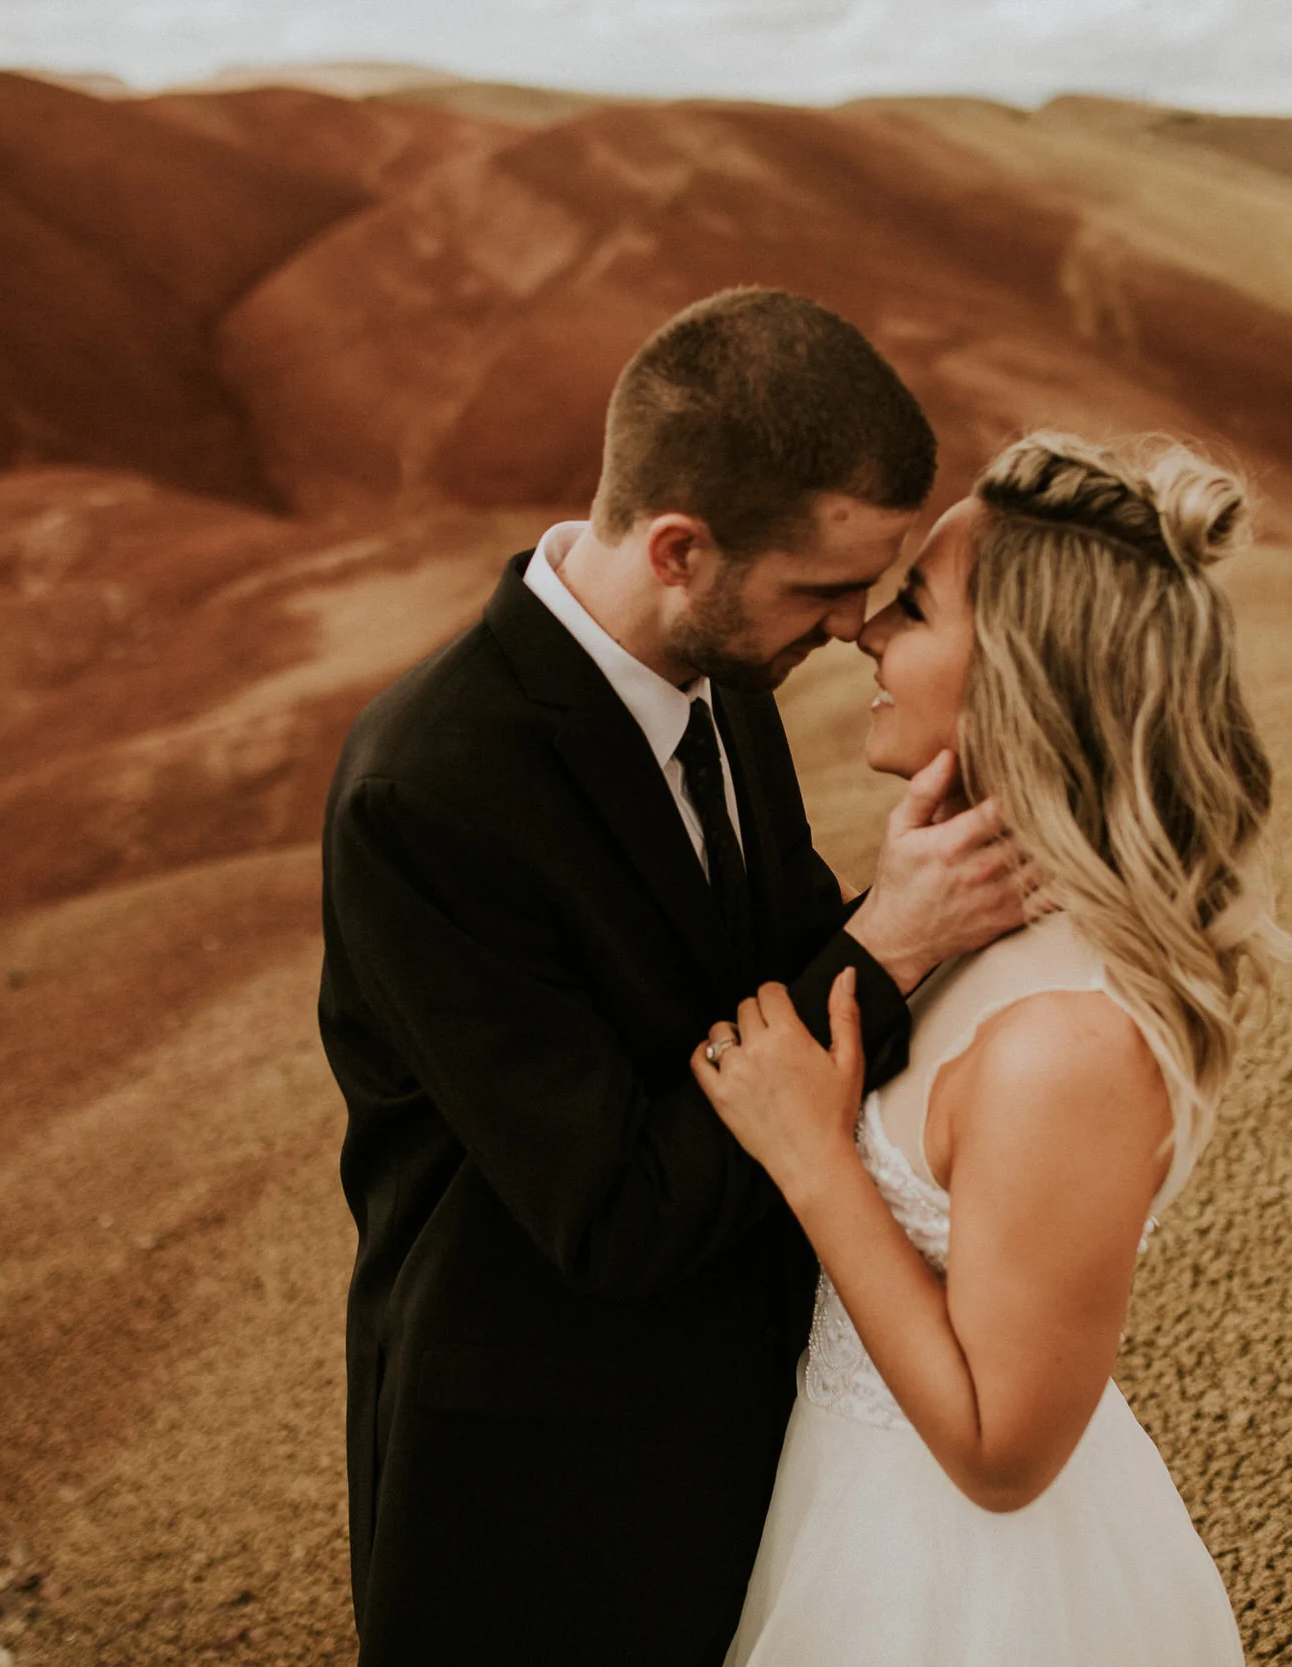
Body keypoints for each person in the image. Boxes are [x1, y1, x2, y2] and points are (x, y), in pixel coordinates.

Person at [316, 288, 1029, 1665]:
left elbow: (765, 996)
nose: (850, 627)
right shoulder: (430, 789)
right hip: (542, 1497)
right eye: (822, 589)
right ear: (681, 548)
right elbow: (615, 1210)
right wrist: (888, 940)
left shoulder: (719, 695)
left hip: (750, 1440)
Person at [696, 432, 1292, 1665]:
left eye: (912, 606)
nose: (865, 632)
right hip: (843, 1511)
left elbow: (1002, 1452)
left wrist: (812, 1153)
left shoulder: (1066, 1044)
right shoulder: (984, 927)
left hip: (965, 1595)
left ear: (1018, 675)